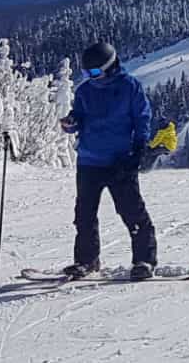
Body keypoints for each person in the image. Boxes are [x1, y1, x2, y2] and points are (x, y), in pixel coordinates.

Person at [60, 42, 159, 280]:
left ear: (111, 66)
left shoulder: (129, 87)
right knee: (84, 215)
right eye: (86, 73)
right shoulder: (85, 91)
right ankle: (86, 260)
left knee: (131, 211)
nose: (91, 77)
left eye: (94, 72)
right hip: (89, 160)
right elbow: (80, 117)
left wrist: (138, 148)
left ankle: (144, 260)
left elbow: (142, 118)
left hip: (120, 160)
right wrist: (71, 122)